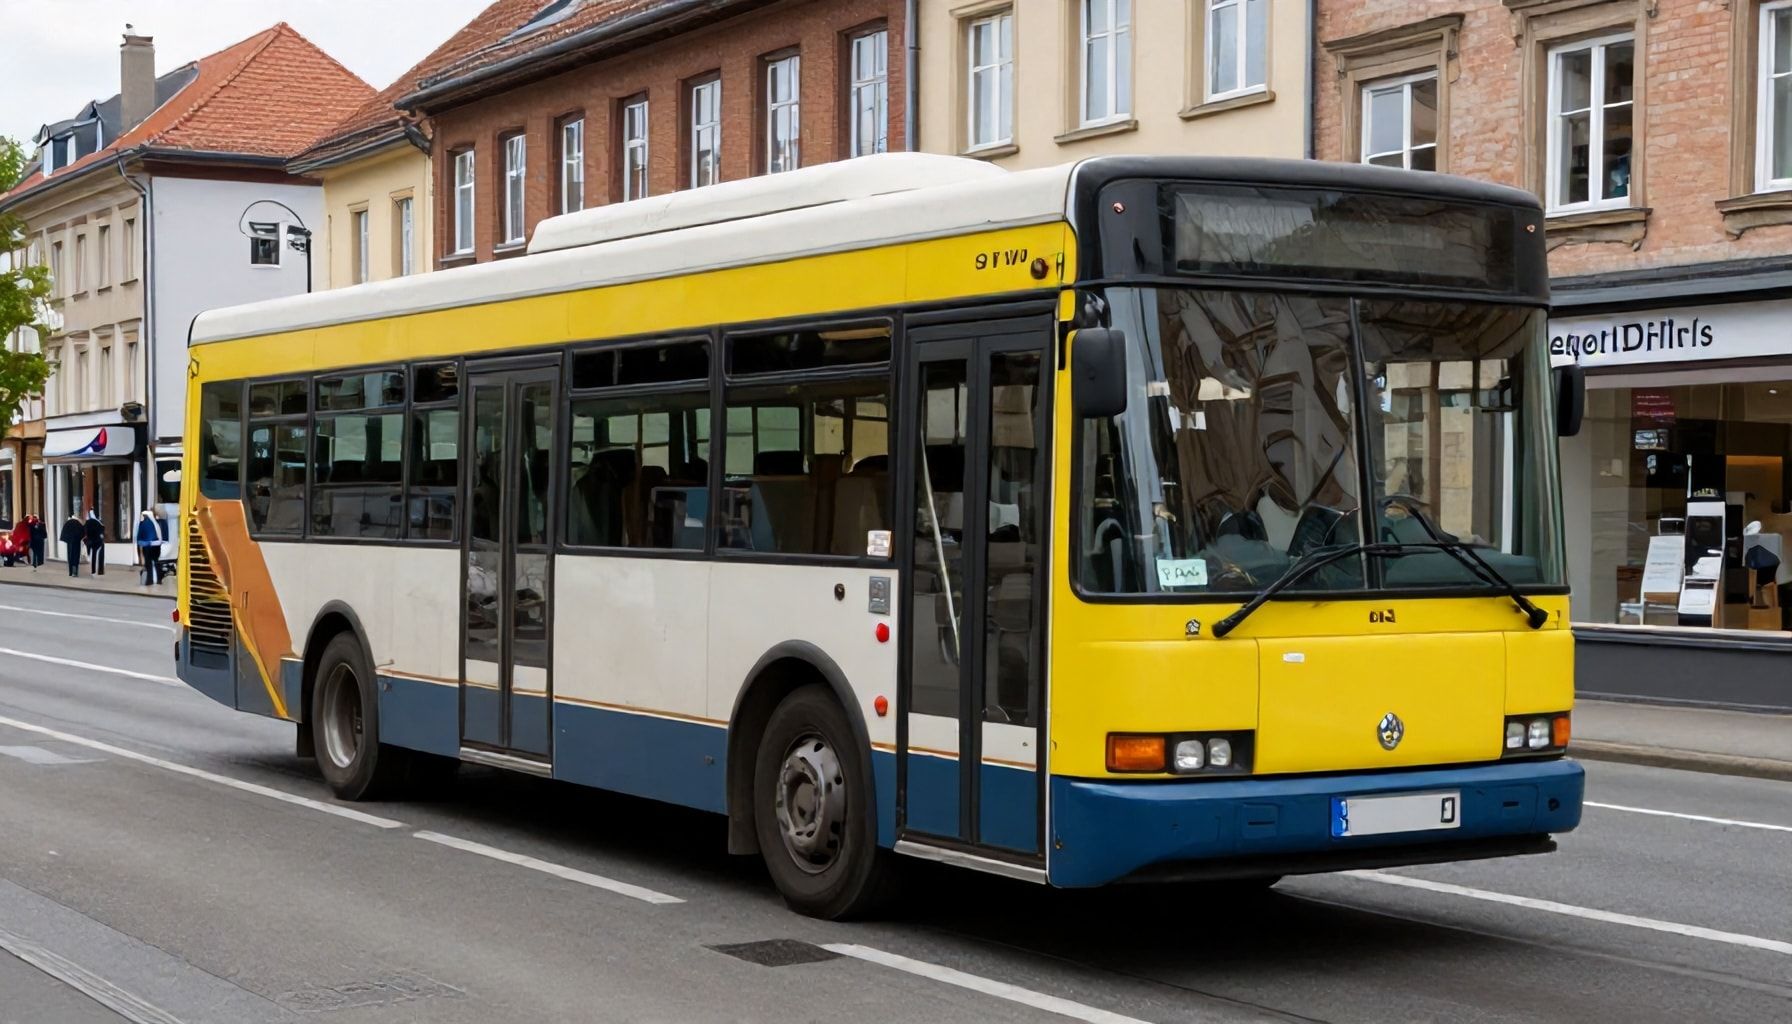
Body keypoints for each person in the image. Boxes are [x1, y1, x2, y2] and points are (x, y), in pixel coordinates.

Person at [135, 511, 163, 586]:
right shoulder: (156, 523)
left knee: (148, 564)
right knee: (156, 563)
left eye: (144, 515)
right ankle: (159, 579)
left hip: (148, 547)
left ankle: (149, 580)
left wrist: (140, 542)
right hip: (157, 546)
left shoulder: (144, 524)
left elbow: (141, 535)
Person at [83, 509, 105, 575]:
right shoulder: (98, 522)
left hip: (90, 541)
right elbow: (102, 530)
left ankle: (92, 570)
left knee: (90, 554)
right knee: (96, 555)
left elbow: (84, 532)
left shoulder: (87, 523)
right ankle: (95, 570)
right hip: (97, 541)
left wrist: (85, 541)